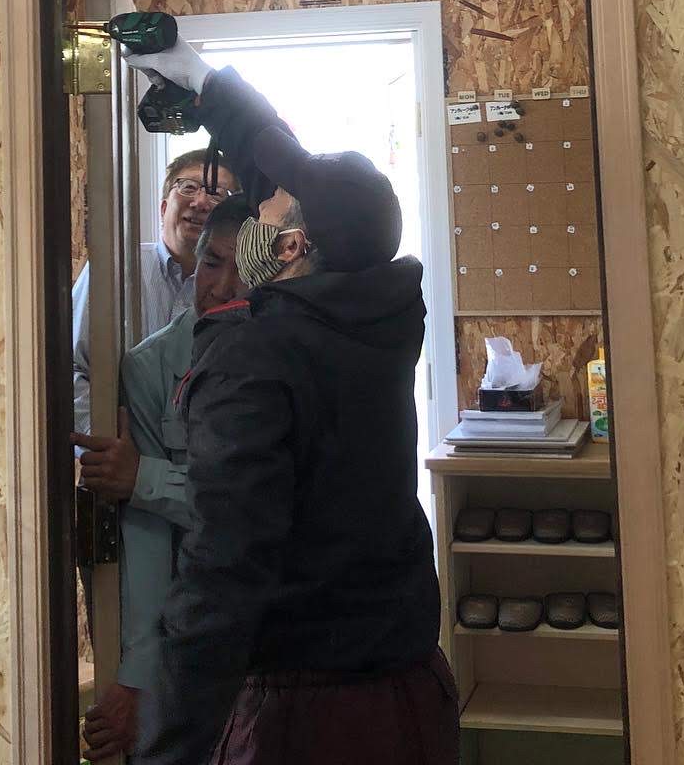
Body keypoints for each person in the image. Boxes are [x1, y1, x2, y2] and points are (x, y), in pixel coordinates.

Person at [121, 39, 457, 765]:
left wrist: (169, 747)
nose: (245, 213)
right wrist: (201, 78)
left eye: (261, 212)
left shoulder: (251, 358)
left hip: (306, 714)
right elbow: (287, 167)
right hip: (411, 684)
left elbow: (224, 569)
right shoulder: (390, 312)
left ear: (291, 246)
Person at [76, 194, 255, 762]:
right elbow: (147, 538)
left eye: (243, 271)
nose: (222, 287)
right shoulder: (151, 366)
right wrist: (137, 678)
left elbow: (260, 509)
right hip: (190, 625)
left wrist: (146, 479)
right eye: (211, 263)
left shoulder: (286, 362)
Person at [72, 147, 238, 441]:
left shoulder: (241, 287)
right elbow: (69, 368)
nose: (200, 202)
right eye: (188, 187)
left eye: (216, 194)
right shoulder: (112, 270)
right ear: (163, 208)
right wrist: (104, 440)